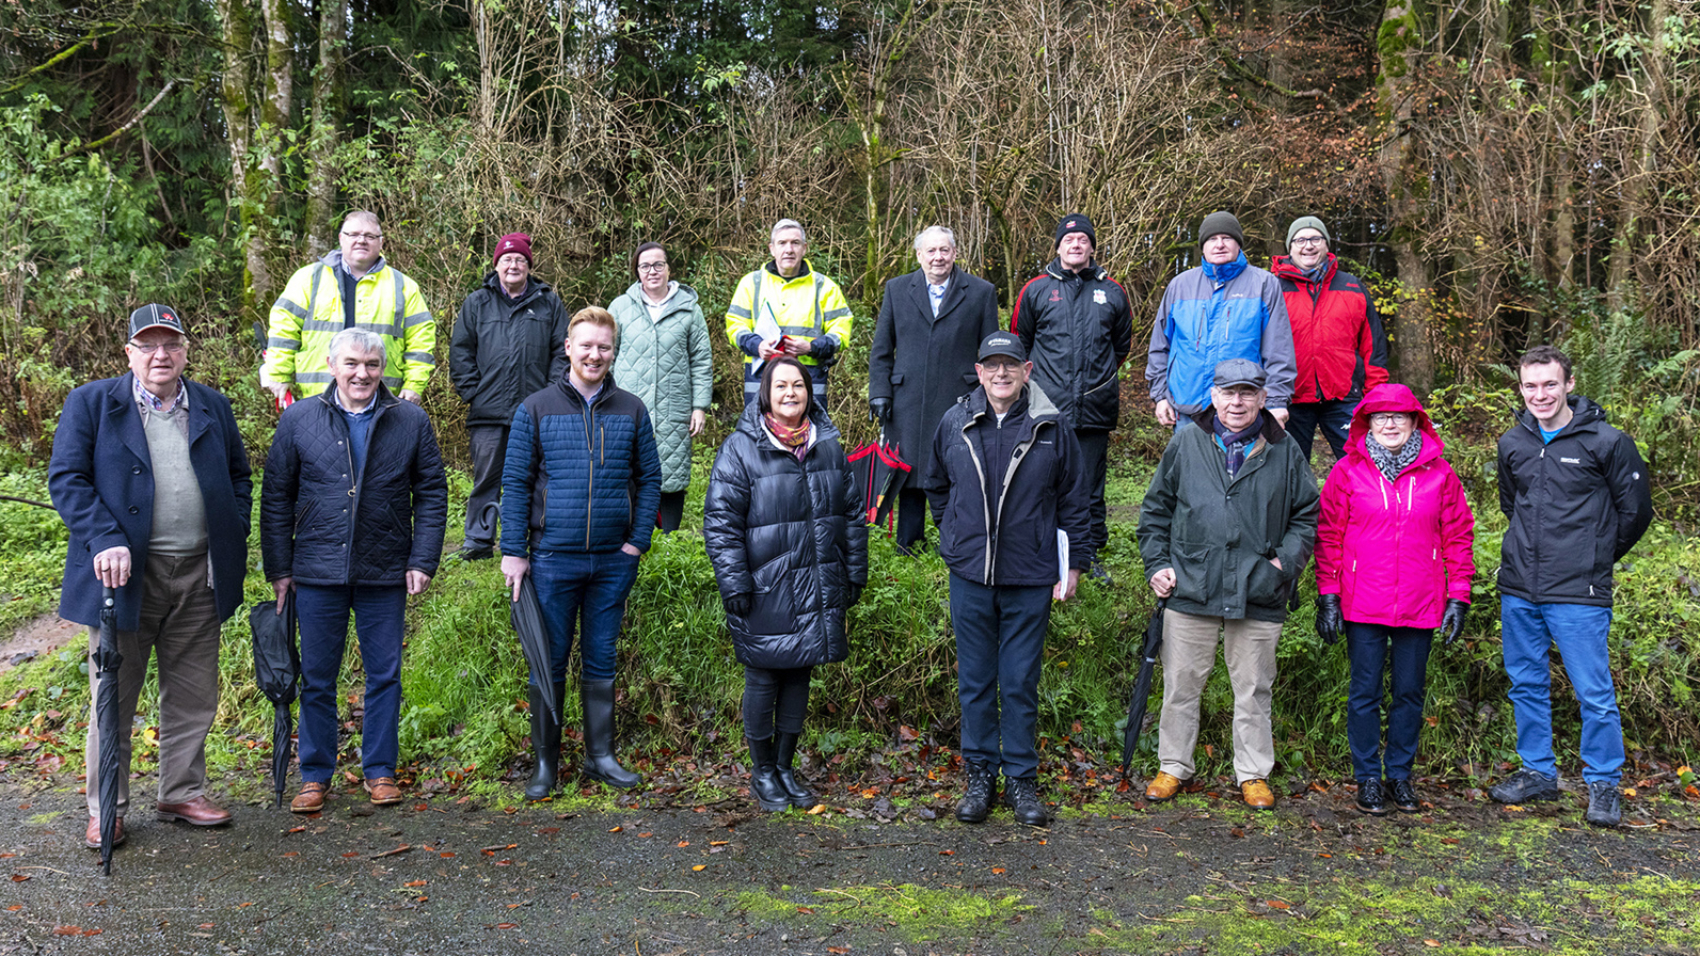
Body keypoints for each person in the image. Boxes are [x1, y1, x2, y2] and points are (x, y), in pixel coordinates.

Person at [49, 305, 252, 850]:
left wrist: (234, 530)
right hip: (122, 579)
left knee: (193, 694)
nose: (161, 355)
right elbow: (66, 479)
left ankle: (181, 791)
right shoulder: (93, 403)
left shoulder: (211, 404)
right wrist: (104, 536)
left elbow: (239, 475)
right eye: (149, 345)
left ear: (186, 350)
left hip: (200, 573)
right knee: (113, 695)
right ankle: (107, 807)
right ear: (129, 353)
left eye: (171, 344)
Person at [261, 328, 448, 813]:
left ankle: (380, 770)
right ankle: (315, 773)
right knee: (317, 677)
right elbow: (276, 496)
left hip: (384, 568)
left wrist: (423, 558)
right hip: (316, 570)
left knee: (384, 674)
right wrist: (279, 567)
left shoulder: (409, 420)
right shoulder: (300, 418)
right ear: (331, 364)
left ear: (383, 368)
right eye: (351, 364)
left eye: (371, 364)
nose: (361, 373)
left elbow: (431, 493)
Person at [923, 331, 1090, 828]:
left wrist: (1073, 562)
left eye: (1010, 366)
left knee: (1019, 682)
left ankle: (1021, 779)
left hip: (1030, 575)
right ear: (978, 371)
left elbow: (1075, 501)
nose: (1001, 374)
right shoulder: (955, 421)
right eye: (992, 365)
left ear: (1026, 371)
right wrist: (954, 536)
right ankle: (979, 777)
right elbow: (935, 486)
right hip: (970, 575)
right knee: (975, 681)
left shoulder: (1052, 427)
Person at [1138, 359, 1318, 810]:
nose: (1237, 402)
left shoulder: (1284, 449)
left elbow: (1307, 515)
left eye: (1247, 393)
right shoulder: (1186, 442)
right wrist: (1158, 563)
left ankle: (1253, 773)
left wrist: (1282, 566)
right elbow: (1156, 510)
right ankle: (1173, 765)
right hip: (1191, 584)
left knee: (1254, 687)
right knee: (1180, 683)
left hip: (1259, 588)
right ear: (1213, 396)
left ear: (1262, 398)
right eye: (1228, 393)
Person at [500, 307, 662, 799]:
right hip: (552, 559)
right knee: (547, 661)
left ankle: (601, 757)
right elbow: (515, 482)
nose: (595, 355)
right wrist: (514, 551)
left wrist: (637, 541)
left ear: (615, 352)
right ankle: (545, 764)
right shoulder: (536, 407)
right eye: (586, 345)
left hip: (613, 561)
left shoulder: (631, 409)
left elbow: (650, 478)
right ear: (568, 348)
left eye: (604, 347)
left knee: (600, 659)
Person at [1489, 345, 1652, 827]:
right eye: (1530, 385)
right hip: (1520, 588)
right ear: (1521, 388)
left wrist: (1594, 557)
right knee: (1526, 684)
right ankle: (1538, 772)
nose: (1540, 394)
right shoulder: (1512, 443)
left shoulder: (1607, 442)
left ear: (1569, 384)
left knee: (1593, 692)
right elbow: (1511, 506)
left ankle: (1603, 782)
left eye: (1549, 384)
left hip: (1578, 592)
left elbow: (1636, 513)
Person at [703, 358, 868, 811]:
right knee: (763, 676)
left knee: (799, 673)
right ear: (765, 393)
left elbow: (852, 515)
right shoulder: (740, 449)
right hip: (764, 585)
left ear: (810, 392)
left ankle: (784, 767)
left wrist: (854, 571)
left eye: (799, 384)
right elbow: (720, 523)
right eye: (781, 385)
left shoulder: (828, 447)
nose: (791, 392)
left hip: (817, 582)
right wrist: (734, 581)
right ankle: (762, 773)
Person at [1314, 383, 1475, 815]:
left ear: (1414, 422)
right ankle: (1367, 777)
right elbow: (1328, 536)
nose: (1389, 424)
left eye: (1399, 417)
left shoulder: (1440, 475)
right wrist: (1328, 595)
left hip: (1421, 601)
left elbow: (1458, 536)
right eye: (1380, 417)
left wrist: (1458, 596)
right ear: (1367, 423)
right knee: (1364, 692)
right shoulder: (1347, 472)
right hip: (1362, 600)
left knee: (1408, 693)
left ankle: (1399, 775)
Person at [1010, 214, 1133, 579]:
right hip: (1046, 407)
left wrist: (1097, 379)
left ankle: (1088, 556)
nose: (1076, 244)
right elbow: (1022, 343)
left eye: (1083, 239)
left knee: (1090, 489)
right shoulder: (1035, 290)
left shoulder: (1112, 291)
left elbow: (1121, 347)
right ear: (1058, 246)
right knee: (1042, 480)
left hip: (1095, 407)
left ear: (1092, 246)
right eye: (1069, 239)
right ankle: (1040, 550)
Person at [868, 225, 1001, 554]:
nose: (938, 257)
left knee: (958, 469)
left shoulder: (981, 292)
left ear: (955, 253)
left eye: (945, 250)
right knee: (909, 471)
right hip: (907, 399)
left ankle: (958, 543)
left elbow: (990, 354)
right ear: (919, 255)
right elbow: (882, 349)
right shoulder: (897, 290)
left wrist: (991, 398)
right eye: (931, 251)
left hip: (960, 398)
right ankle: (908, 544)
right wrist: (879, 392)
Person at [448, 232, 569, 560]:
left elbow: (562, 350)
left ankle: (536, 537)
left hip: (536, 410)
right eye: (507, 259)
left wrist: (551, 394)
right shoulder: (477, 302)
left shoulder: (549, 302)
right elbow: (460, 351)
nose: (513, 264)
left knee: (536, 477)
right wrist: (472, 391)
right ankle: (478, 541)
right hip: (487, 411)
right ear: (496, 265)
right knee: (486, 477)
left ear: (529, 266)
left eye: (520, 259)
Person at [261, 210, 435, 405]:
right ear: (341, 238)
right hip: (318, 397)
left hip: (382, 399)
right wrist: (278, 373)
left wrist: (414, 384)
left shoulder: (404, 287)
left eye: (370, 236)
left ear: (381, 242)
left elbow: (421, 341)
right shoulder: (307, 279)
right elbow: (284, 329)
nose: (361, 240)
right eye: (353, 234)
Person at [1146, 211, 1295, 430]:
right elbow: (1160, 347)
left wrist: (1276, 401)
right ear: (1203, 246)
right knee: (1191, 465)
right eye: (1212, 239)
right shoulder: (1179, 286)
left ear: (1238, 245)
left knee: (1242, 465)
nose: (1219, 245)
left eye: (1227, 238)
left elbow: (1278, 351)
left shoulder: (1264, 285)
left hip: (1241, 409)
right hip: (1188, 410)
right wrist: (1160, 396)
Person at [609, 241, 714, 533]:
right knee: (626, 471)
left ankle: (668, 540)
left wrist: (699, 406)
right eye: (645, 266)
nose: (652, 271)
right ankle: (629, 537)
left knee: (671, 472)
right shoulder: (620, 307)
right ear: (637, 271)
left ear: (668, 269)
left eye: (658, 265)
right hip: (628, 407)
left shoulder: (689, 310)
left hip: (674, 408)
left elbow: (702, 360)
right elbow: (608, 356)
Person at [1269, 216, 1390, 460]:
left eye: (1315, 238)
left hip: (1345, 396)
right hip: (1290, 397)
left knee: (1365, 463)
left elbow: (1373, 345)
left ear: (1327, 244)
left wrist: (1376, 395)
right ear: (1289, 247)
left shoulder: (1352, 287)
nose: (1308, 246)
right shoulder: (1272, 288)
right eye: (1300, 240)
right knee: (1287, 471)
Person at [725, 219, 854, 407]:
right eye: (782, 243)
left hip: (808, 382)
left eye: (795, 243)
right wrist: (758, 345)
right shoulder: (751, 284)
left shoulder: (825, 287)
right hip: (761, 380)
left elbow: (841, 334)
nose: (789, 249)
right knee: (759, 436)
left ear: (804, 248)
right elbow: (735, 327)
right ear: (772, 249)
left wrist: (811, 347)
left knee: (809, 436)